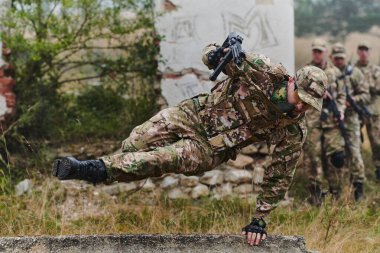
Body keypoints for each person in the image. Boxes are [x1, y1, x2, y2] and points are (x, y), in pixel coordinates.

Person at [53, 43, 327, 246]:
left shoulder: (292, 129)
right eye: (299, 97)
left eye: (308, 104)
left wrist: (259, 219)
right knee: (135, 143)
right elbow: (210, 57)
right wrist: (218, 54)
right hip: (192, 114)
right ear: (292, 81)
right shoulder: (262, 69)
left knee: (161, 159)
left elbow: (279, 175)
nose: (301, 106)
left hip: (210, 147)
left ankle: (90, 169)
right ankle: (116, 169)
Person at [303, 38, 346, 204]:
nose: (317, 54)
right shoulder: (306, 71)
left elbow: (342, 95)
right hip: (312, 120)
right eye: (315, 51)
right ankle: (316, 194)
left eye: (320, 51)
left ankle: (336, 193)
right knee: (312, 157)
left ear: (325, 52)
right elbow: (297, 93)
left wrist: (340, 110)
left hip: (331, 123)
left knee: (336, 158)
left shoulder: (335, 72)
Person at [331, 43, 370, 201]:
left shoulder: (355, 73)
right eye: (336, 58)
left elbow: (366, 95)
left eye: (341, 58)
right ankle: (336, 188)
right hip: (332, 121)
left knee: (355, 154)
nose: (339, 61)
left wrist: (351, 102)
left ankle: (358, 188)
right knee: (336, 156)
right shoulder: (329, 73)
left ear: (346, 57)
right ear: (332, 58)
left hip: (351, 119)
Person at [355, 41, 380, 182]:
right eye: (361, 49)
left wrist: (365, 86)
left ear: (369, 52)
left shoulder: (376, 70)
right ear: (358, 52)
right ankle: (357, 171)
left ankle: (378, 169)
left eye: (366, 50)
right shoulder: (352, 69)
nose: (363, 52)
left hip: (373, 112)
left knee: (377, 143)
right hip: (357, 112)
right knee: (355, 142)